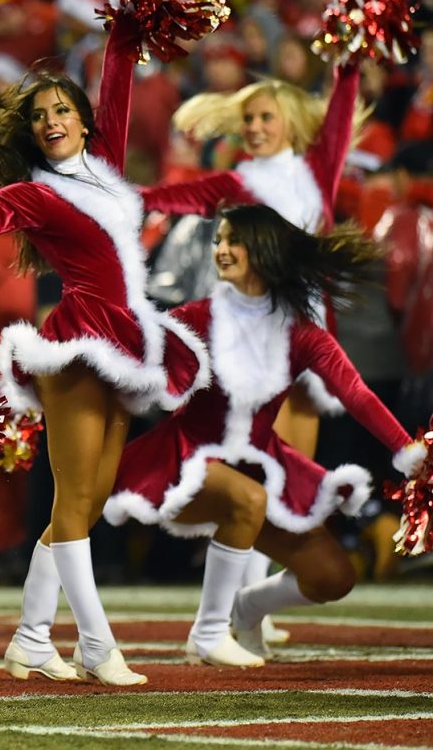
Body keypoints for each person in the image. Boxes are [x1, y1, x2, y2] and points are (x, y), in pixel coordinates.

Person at [0, 12, 210, 686]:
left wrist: (127, 23)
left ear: (84, 122)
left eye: (63, 109)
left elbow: (116, 82)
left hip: (129, 338)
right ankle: (95, 643)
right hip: (78, 344)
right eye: (40, 116)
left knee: (86, 503)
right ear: (31, 134)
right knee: (71, 501)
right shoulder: (34, 194)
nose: (53, 120)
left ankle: (32, 637)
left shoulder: (107, 169)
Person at [104, 205, 426, 663]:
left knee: (333, 577)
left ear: (265, 250)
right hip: (190, 459)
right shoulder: (194, 317)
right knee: (247, 500)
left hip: (261, 465)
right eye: (219, 240)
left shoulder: (302, 332)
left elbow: (355, 392)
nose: (221, 249)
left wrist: (406, 449)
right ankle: (208, 632)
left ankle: (248, 606)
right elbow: (130, 360)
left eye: (234, 240)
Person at [141, 62, 367, 639]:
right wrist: (113, 197)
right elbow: (171, 196)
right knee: (253, 474)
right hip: (253, 345)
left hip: (307, 345)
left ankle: (252, 607)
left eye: (266, 117)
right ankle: (230, 611)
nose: (256, 127)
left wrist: (349, 65)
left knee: (289, 488)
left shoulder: (316, 172)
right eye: (248, 120)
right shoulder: (236, 183)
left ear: (290, 123)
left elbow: (339, 120)